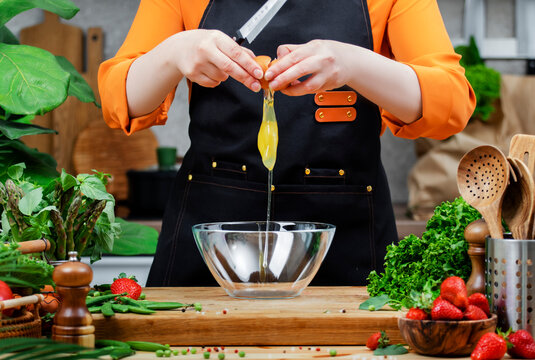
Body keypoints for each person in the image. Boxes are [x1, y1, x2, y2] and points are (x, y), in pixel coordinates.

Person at [98, 0, 476, 286]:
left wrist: (353, 64)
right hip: (210, 239)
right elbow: (120, 102)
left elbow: (451, 103)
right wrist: (174, 53)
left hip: (347, 242)